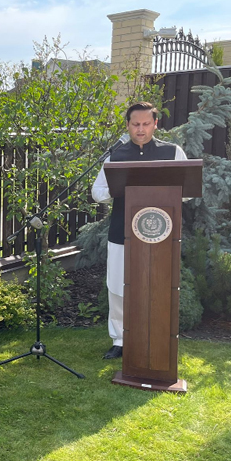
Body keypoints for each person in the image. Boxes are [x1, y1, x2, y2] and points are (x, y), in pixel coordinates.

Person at [92, 102, 188, 359]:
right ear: (128, 125)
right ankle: (120, 340)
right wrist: (120, 189)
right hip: (121, 232)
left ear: (156, 124)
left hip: (162, 235)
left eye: (146, 124)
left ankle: (156, 336)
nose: (141, 129)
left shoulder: (173, 152)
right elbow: (96, 192)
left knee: (158, 286)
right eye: (136, 124)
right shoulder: (116, 155)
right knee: (117, 286)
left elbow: (187, 190)